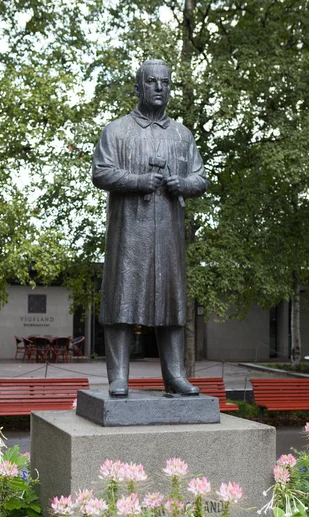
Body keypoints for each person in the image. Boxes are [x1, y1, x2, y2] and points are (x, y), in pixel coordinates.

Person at [92, 59, 209, 397]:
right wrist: (138, 180)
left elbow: (201, 177)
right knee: (122, 301)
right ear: (139, 87)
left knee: (172, 303)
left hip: (169, 235)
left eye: (166, 83)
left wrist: (182, 184)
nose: (160, 88)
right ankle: (118, 377)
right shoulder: (116, 131)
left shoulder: (182, 135)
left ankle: (174, 375)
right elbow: (101, 172)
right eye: (153, 82)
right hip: (129, 233)